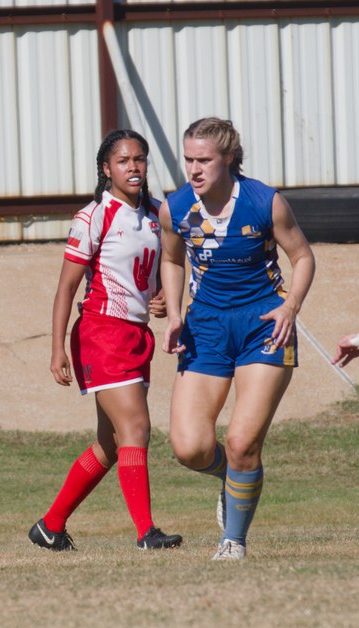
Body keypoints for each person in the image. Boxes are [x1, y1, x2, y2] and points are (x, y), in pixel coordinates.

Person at [160, 117, 315, 560]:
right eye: (188, 159)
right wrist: (173, 314)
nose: (194, 168)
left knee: (244, 442)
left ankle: (233, 540)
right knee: (190, 448)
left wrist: (291, 306)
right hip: (205, 326)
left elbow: (302, 257)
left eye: (204, 159)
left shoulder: (265, 202)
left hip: (264, 324)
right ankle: (233, 479)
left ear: (228, 157)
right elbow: (172, 261)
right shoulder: (174, 208)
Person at [28, 129, 183, 552]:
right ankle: (146, 532)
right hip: (101, 332)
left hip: (135, 333)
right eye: (123, 160)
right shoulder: (95, 215)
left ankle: (50, 525)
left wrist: (165, 299)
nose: (133, 167)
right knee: (136, 427)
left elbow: (167, 267)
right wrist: (56, 347)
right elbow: (66, 288)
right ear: (106, 169)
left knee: (110, 444)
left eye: (139, 159)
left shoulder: (157, 212)